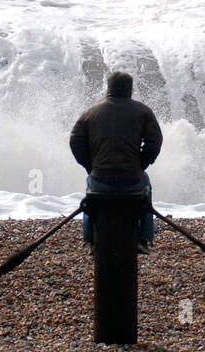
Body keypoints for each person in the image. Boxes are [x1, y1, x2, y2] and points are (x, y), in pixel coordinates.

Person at [69, 71, 163, 254]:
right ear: (130, 89)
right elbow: (155, 142)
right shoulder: (143, 111)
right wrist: (141, 165)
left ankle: (89, 241)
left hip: (100, 181)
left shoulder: (91, 112)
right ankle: (144, 239)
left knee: (89, 195)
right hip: (133, 180)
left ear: (108, 88)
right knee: (146, 194)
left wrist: (90, 166)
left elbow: (75, 141)